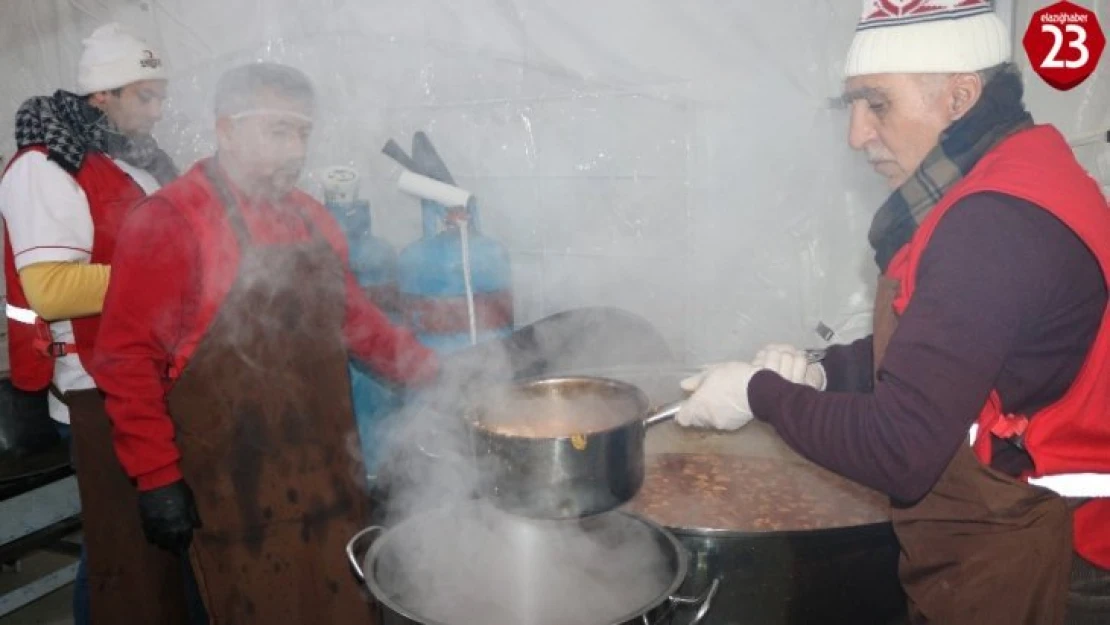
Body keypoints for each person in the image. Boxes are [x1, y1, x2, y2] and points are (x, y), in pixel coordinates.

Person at [675, 2, 1110, 624]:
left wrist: (759, 394)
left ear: (960, 95)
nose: (856, 135)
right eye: (849, 106)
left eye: (876, 103)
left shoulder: (992, 223)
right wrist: (823, 372)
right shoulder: (1016, 176)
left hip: (1053, 560)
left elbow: (902, 451)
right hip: (1023, 537)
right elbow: (944, 354)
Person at [91, 61, 440, 623]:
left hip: (326, 475)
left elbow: (358, 322)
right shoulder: (169, 220)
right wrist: (156, 478)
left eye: (302, 132)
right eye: (278, 131)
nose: (295, 149)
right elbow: (127, 362)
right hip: (231, 488)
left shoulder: (314, 219)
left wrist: (443, 377)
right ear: (226, 130)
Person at [0, 22, 206, 624]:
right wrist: (173, 276)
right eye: (147, 95)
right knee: (121, 552)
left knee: (156, 546)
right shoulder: (44, 168)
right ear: (102, 98)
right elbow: (52, 288)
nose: (160, 109)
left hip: (147, 376)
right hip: (93, 388)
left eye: (162, 94)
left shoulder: (134, 164)